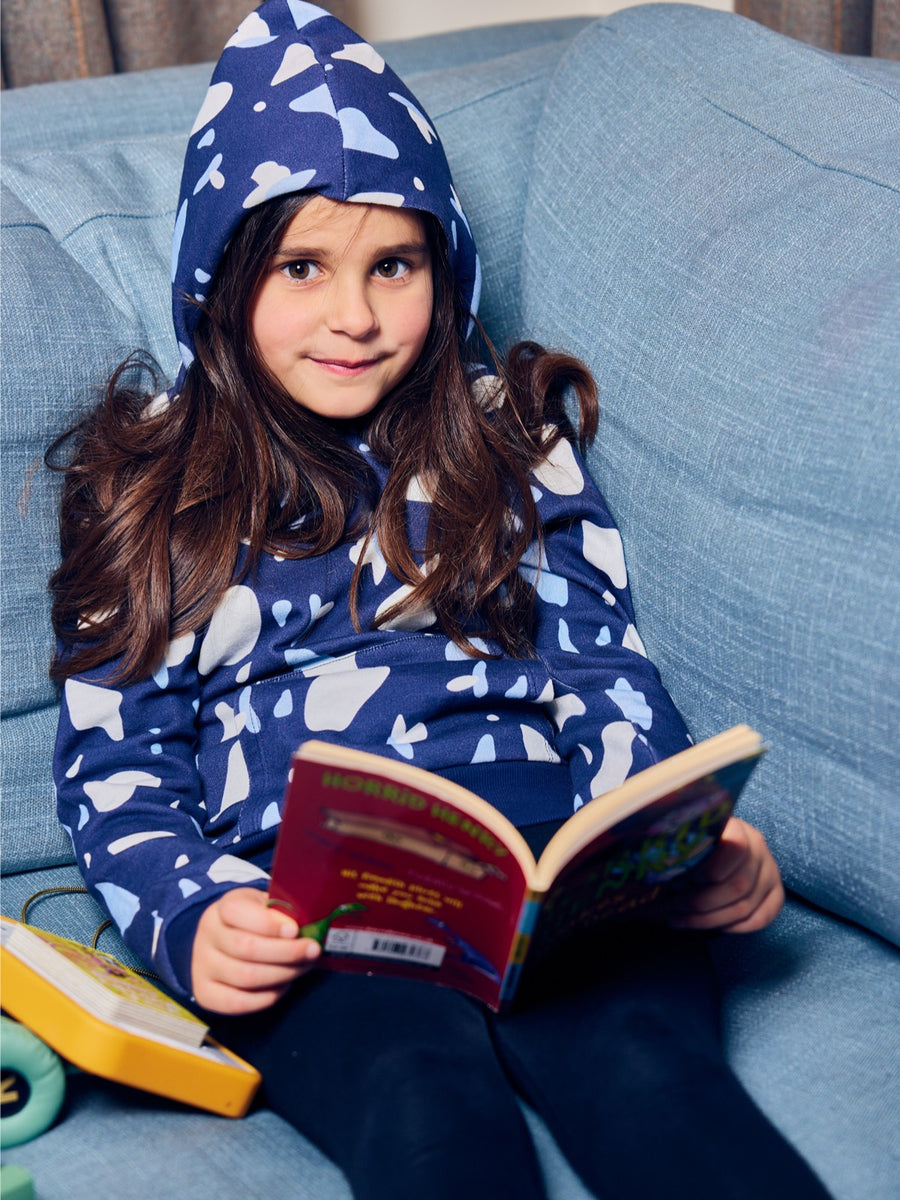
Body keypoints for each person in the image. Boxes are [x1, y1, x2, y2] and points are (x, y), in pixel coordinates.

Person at [48, 4, 829, 1198]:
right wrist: (191, 912)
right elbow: (116, 767)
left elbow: (603, 669)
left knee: (654, 1079)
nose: (354, 317)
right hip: (317, 918)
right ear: (222, 276)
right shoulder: (154, 483)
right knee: (422, 1108)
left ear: (443, 267)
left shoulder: (508, 440)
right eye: (303, 268)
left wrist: (672, 847)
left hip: (555, 891)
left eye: (394, 267)